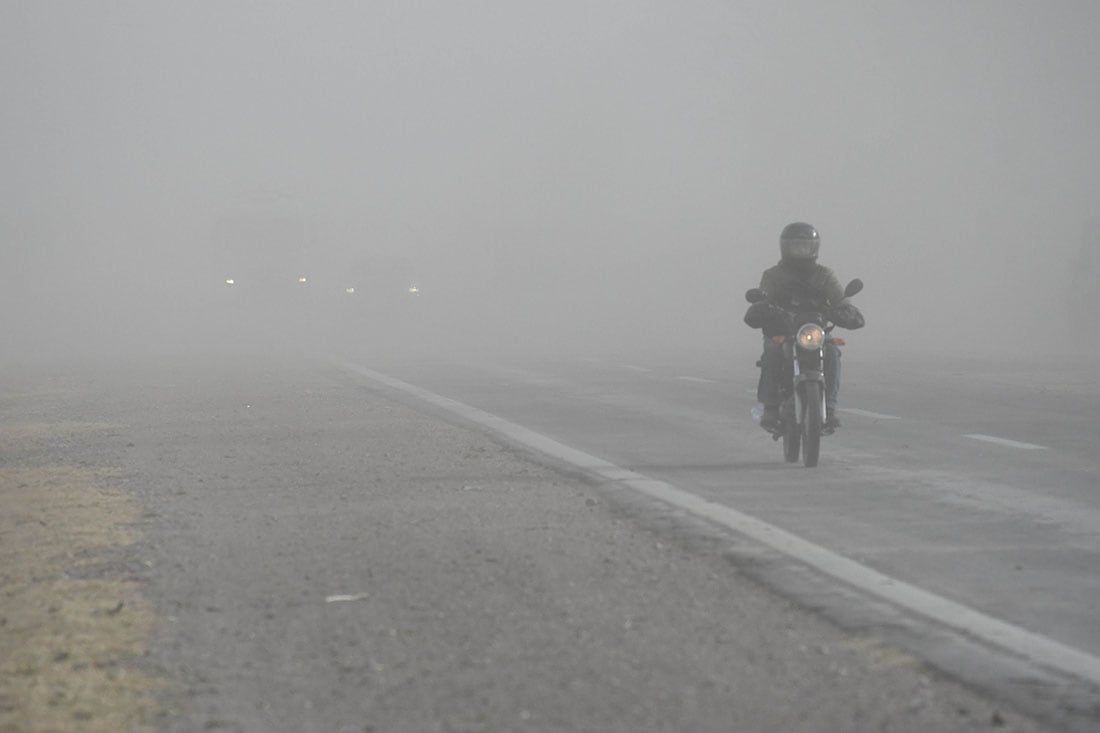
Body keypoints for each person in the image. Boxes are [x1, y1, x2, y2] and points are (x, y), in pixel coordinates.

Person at [752, 222, 848, 432]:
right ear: (785, 247)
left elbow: (840, 299)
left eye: (805, 245)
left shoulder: (824, 275)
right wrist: (762, 309)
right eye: (796, 245)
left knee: (832, 352)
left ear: (814, 247)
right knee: (772, 352)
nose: (800, 250)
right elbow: (763, 298)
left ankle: (829, 408)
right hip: (783, 331)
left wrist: (846, 310)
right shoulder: (773, 275)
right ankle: (769, 407)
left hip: (815, 331)